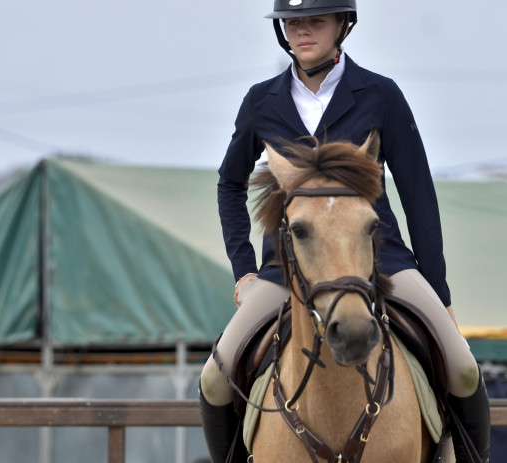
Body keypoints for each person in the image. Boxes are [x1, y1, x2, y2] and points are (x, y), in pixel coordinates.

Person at [199, 1, 490, 462]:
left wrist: (440, 292)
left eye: (315, 21)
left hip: (382, 260)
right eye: (292, 23)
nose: (302, 32)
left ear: (342, 25)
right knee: (214, 381)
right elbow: (229, 184)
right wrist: (244, 271)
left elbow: (418, 196)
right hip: (288, 268)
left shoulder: (380, 94)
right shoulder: (261, 102)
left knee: (463, 371)